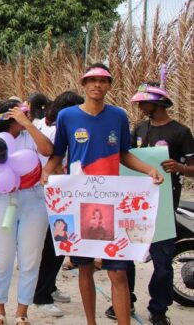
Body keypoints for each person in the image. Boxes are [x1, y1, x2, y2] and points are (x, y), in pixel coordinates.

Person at [42, 64, 164, 325]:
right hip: (80, 203)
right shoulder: (66, 116)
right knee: (85, 268)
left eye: (103, 80)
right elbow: (58, 153)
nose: (97, 84)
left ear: (109, 85)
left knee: (118, 273)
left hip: (111, 203)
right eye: (92, 80)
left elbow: (124, 154)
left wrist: (148, 170)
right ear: (83, 84)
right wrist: (47, 173)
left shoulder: (118, 116)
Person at [107, 81, 194, 324]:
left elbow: (193, 167)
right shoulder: (139, 129)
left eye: (144, 103)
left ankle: (158, 309)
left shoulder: (181, 132)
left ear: (159, 103)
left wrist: (180, 168)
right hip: (135, 203)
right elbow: (127, 158)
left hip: (164, 206)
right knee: (127, 256)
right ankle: (126, 300)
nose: (140, 107)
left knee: (163, 262)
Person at [0, 100, 53, 325]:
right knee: (2, 258)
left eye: (28, 113)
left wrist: (28, 125)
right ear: (8, 116)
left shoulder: (33, 135)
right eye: (22, 113)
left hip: (34, 199)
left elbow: (48, 150)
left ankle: (22, 312)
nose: (27, 116)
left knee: (30, 259)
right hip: (3, 199)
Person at [32, 90, 84, 317]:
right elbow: (53, 159)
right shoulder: (55, 131)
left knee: (57, 246)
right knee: (56, 246)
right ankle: (41, 296)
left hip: (57, 192)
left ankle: (50, 287)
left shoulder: (47, 126)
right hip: (56, 194)